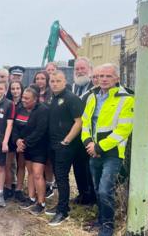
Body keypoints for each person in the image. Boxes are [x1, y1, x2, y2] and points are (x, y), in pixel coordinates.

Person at [81, 63, 134, 236]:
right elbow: (86, 122)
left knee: (105, 189)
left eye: (108, 76)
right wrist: (88, 142)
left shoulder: (126, 99)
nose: (103, 79)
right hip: (93, 151)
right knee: (97, 188)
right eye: (100, 76)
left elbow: (123, 130)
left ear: (117, 79)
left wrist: (99, 147)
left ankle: (108, 226)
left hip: (112, 153)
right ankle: (101, 219)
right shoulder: (92, 97)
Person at [45, 70, 84, 226]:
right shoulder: (53, 98)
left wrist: (66, 141)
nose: (54, 83)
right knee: (58, 176)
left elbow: (79, 122)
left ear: (65, 81)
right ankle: (62, 204)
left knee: (62, 177)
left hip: (65, 146)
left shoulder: (72, 98)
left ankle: (63, 212)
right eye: (52, 81)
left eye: (58, 81)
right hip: (53, 144)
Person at [13, 87, 49, 215]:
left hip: (39, 147)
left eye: (27, 98)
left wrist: (24, 143)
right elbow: (15, 127)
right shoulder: (20, 109)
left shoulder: (43, 110)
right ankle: (31, 198)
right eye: (23, 97)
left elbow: (40, 130)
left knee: (38, 174)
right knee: (30, 173)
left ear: (35, 99)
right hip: (25, 146)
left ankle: (41, 203)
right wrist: (17, 140)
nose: (23, 100)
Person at [70, 57, 96, 205]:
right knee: (77, 165)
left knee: (89, 167)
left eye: (82, 68)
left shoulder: (95, 87)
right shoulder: (73, 88)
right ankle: (82, 194)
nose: (80, 72)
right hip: (75, 134)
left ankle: (92, 196)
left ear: (90, 70)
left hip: (89, 135)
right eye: (77, 69)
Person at [5, 81, 26, 202]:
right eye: (13, 88)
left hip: (21, 138)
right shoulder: (7, 103)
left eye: (18, 88)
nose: (15, 91)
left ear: (21, 89)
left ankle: (18, 189)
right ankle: (8, 187)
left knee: (21, 165)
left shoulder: (25, 103)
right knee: (8, 164)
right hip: (9, 137)